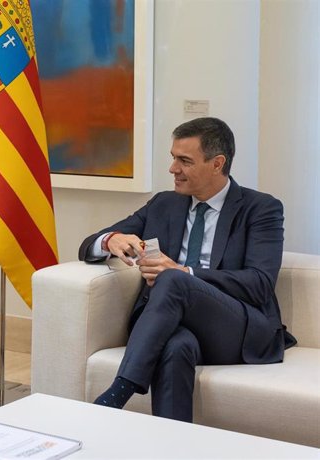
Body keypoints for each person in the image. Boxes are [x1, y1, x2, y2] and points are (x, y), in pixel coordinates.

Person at [78, 117, 296, 423]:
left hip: (236, 326)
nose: (173, 169)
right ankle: (174, 447)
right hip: (172, 324)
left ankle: (118, 391)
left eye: (184, 161)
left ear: (217, 163)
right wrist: (112, 239)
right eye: (173, 158)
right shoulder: (164, 204)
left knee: (174, 279)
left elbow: (259, 284)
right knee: (175, 346)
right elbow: (89, 244)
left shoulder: (261, 209)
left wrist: (184, 271)